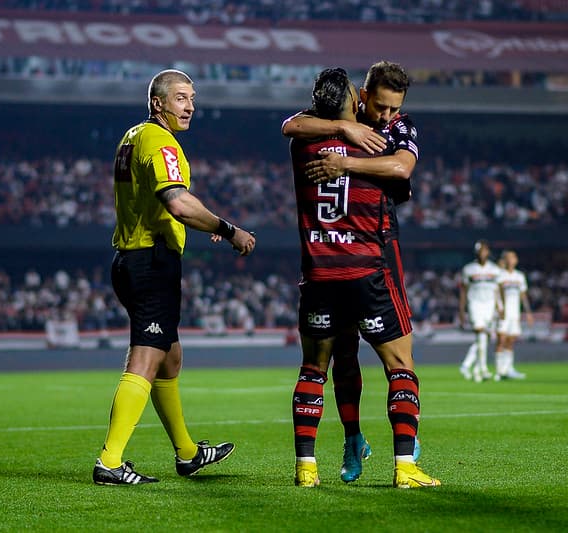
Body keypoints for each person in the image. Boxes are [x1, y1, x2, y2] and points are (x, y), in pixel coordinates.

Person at [93, 69, 256, 485]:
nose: (190, 106)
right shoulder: (161, 141)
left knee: (170, 355)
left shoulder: (132, 136)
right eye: (181, 98)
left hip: (133, 258)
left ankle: (187, 453)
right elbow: (178, 203)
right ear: (158, 103)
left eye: (192, 98)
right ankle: (110, 461)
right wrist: (227, 228)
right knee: (147, 356)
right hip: (150, 261)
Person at [289, 67, 439, 488]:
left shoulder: (388, 129)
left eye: (396, 107)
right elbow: (291, 123)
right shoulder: (347, 127)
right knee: (375, 359)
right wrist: (345, 134)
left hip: (330, 264)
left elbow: (402, 168)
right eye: (382, 105)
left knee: (321, 363)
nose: (389, 114)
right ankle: (365, 443)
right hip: (365, 257)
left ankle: (312, 462)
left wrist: (344, 162)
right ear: (361, 96)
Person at [458, 240, 502, 382]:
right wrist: (461, 310)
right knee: (481, 332)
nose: (482, 253)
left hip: (489, 305)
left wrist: (500, 307)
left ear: (488, 252)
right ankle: (482, 368)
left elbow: (497, 291)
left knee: (484, 337)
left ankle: (472, 367)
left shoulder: (495, 269)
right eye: (479, 251)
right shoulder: (469, 269)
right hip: (475, 304)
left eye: (484, 250)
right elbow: (464, 291)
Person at [494, 250, 533, 380]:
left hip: (514, 313)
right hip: (502, 313)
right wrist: (499, 309)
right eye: (508, 258)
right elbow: (495, 293)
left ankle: (508, 369)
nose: (511, 260)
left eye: (513, 257)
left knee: (511, 341)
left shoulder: (519, 276)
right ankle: (499, 371)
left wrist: (528, 312)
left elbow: (523, 295)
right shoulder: (500, 275)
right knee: (501, 340)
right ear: (504, 260)